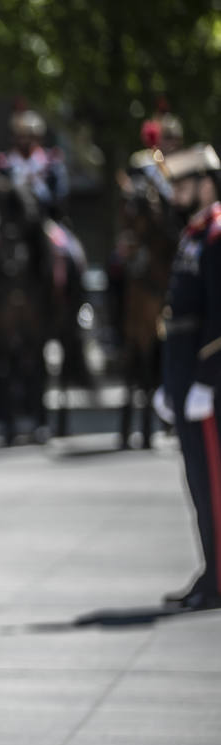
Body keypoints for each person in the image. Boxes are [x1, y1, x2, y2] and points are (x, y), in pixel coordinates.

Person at [159, 143, 221, 612]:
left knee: (213, 483)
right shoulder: (194, 234)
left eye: (183, 183)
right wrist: (169, 379)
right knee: (199, 484)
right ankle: (211, 570)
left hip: (207, 384)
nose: (176, 193)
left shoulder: (217, 234)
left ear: (206, 183)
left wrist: (205, 377)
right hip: (184, 376)